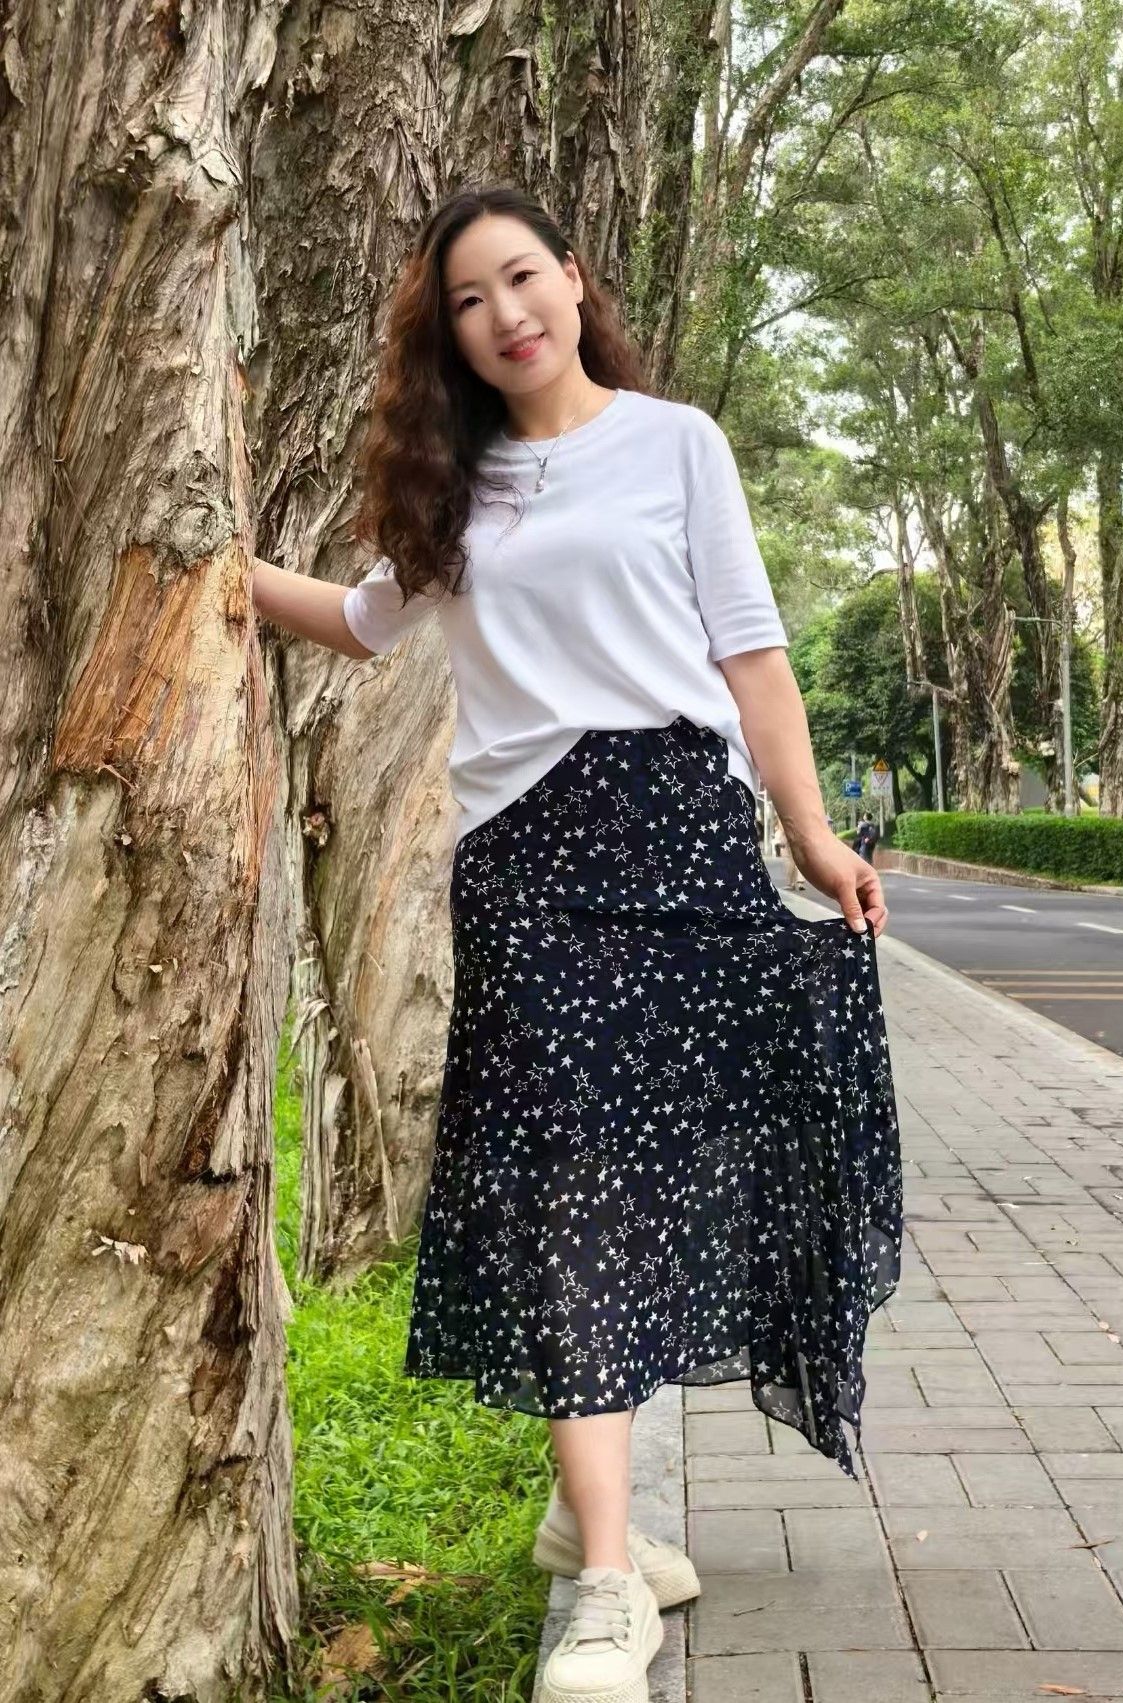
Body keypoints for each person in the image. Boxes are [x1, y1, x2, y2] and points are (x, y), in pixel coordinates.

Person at [253, 185, 901, 1703]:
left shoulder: (675, 442)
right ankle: (609, 1576)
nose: (504, 314)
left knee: (661, 1169)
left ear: (572, 278)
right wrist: (204, 565)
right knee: (565, 1181)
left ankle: (580, 1504)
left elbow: (752, 655)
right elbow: (360, 620)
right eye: (468, 300)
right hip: (530, 864)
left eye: (520, 277)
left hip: (682, 832)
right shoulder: (452, 485)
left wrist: (810, 835)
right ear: (450, 336)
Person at [772, 812, 806, 892]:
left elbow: (782, 829)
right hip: (798, 837)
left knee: (789, 861)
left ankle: (791, 883)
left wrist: (782, 839)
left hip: (788, 838)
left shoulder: (782, 814)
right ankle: (800, 882)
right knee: (798, 861)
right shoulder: (798, 813)